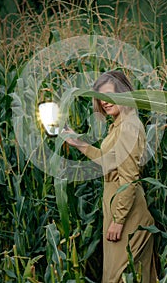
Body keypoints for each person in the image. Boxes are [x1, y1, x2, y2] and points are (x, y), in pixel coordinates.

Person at [65, 70, 157, 283]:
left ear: (123, 93)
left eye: (109, 96)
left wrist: (118, 220)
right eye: (101, 98)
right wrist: (79, 143)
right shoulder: (120, 124)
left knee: (117, 278)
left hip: (127, 216)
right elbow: (110, 163)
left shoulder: (128, 127)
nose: (104, 103)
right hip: (118, 208)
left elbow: (129, 178)